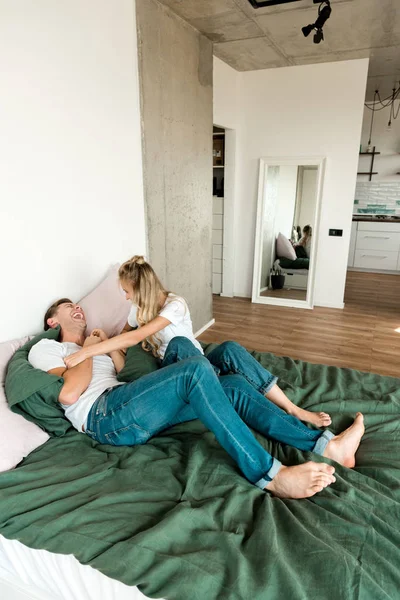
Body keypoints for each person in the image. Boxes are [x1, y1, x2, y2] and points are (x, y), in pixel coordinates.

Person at [28, 298, 365, 500]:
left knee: (228, 383)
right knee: (194, 371)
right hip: (104, 419)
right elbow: (71, 392)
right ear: (52, 320)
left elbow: (123, 375)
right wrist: (89, 349)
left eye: (79, 305)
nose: (77, 308)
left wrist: (110, 346)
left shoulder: (94, 344)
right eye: (67, 307)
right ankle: (271, 476)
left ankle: (326, 446)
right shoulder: (46, 348)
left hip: (126, 402)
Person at [65, 256, 330, 428]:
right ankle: (222, 388)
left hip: (196, 358)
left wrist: (84, 354)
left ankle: (292, 408)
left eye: (126, 291)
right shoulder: (136, 310)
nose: (124, 297)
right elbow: (125, 339)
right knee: (179, 345)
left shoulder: (174, 304)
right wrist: (103, 341)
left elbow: (135, 337)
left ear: (140, 288)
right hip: (176, 368)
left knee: (228, 348)